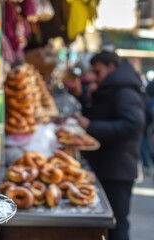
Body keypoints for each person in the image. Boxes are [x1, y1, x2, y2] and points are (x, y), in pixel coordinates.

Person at [75, 51, 145, 240]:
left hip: (117, 170)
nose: (92, 77)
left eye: (97, 72)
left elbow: (133, 125)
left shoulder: (125, 91)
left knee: (117, 225)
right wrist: (82, 97)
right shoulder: (113, 87)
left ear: (111, 67)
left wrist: (91, 126)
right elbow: (103, 113)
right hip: (108, 166)